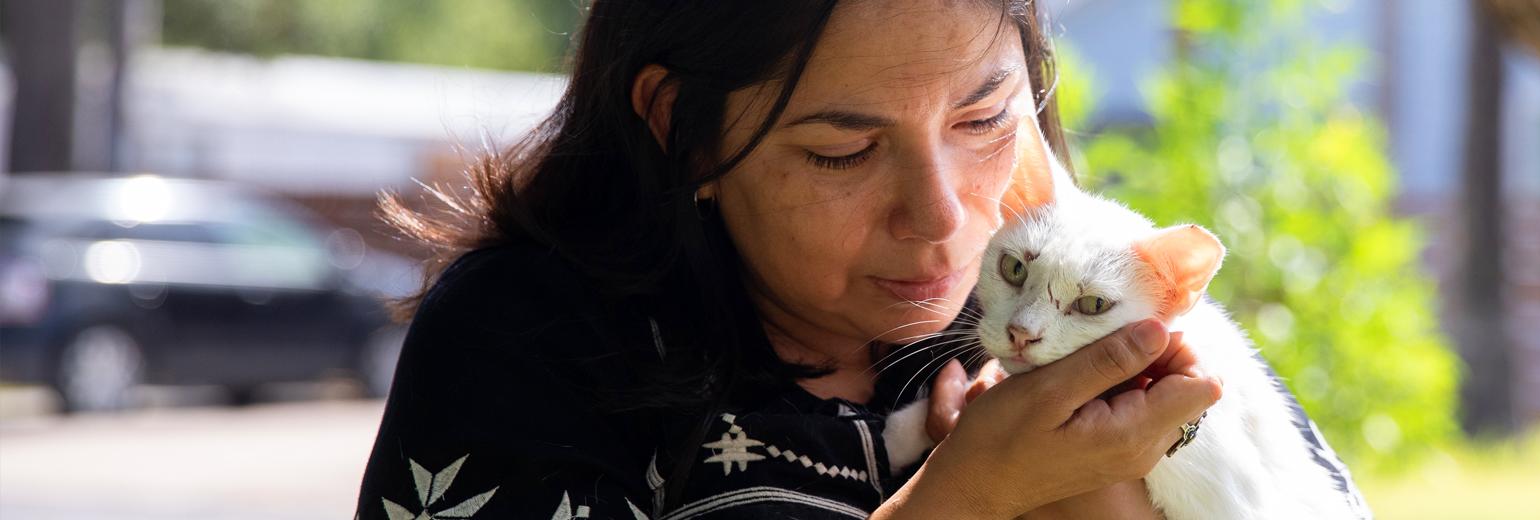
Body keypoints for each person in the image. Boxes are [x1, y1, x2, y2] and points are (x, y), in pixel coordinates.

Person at [356, 1, 1240, 518]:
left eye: (983, 122)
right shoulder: (529, 338)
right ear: (682, 128)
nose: (939, 217)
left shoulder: (1067, 292)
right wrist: (966, 499)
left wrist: (1145, 466)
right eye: (843, 152)